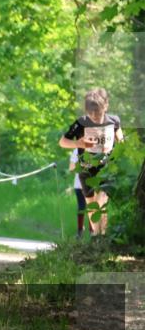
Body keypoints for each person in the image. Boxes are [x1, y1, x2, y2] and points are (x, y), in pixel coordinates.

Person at [59, 89, 123, 236]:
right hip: (86, 170)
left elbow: (121, 139)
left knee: (102, 201)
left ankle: (103, 235)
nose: (94, 117)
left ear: (105, 106)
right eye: (91, 114)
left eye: (98, 114)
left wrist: (116, 144)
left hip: (105, 169)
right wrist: (79, 143)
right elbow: (62, 142)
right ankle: (96, 235)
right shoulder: (80, 123)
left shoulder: (114, 121)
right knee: (92, 205)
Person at [68, 148, 86, 239]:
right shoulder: (77, 150)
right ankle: (83, 231)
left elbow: (71, 168)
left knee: (83, 207)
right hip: (83, 184)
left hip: (83, 184)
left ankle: (81, 231)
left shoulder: (77, 150)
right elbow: (71, 168)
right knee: (86, 207)